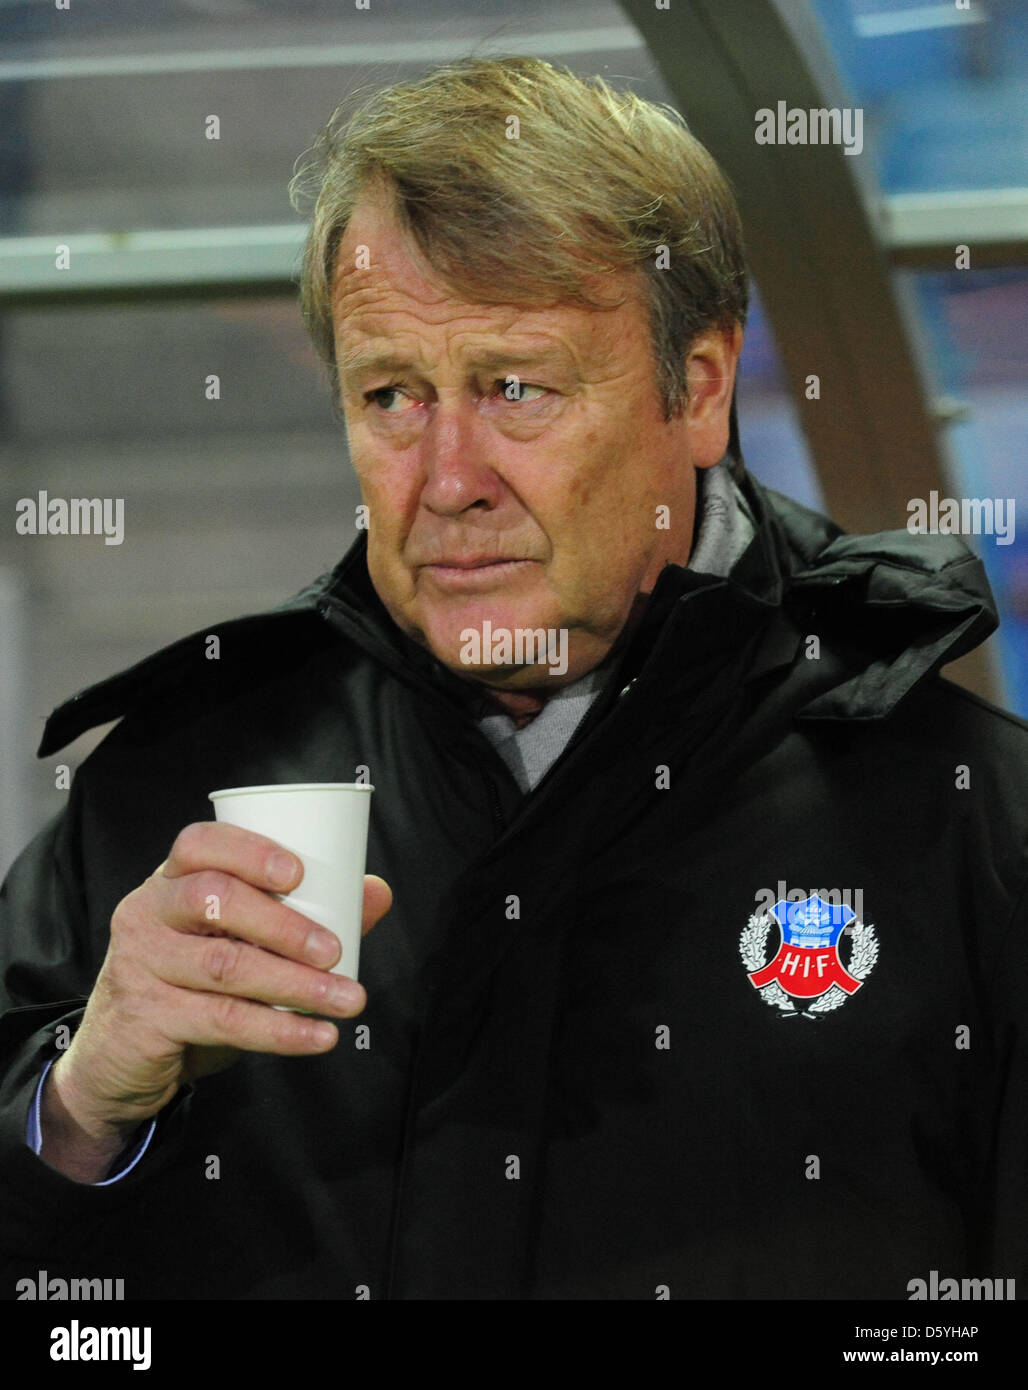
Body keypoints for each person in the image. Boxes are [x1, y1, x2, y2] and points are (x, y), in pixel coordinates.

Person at [2, 55, 1026, 1301]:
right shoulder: (174, 797)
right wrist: (75, 1113)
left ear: (696, 390)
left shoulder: (969, 820)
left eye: (516, 389)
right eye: (391, 394)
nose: (447, 477)